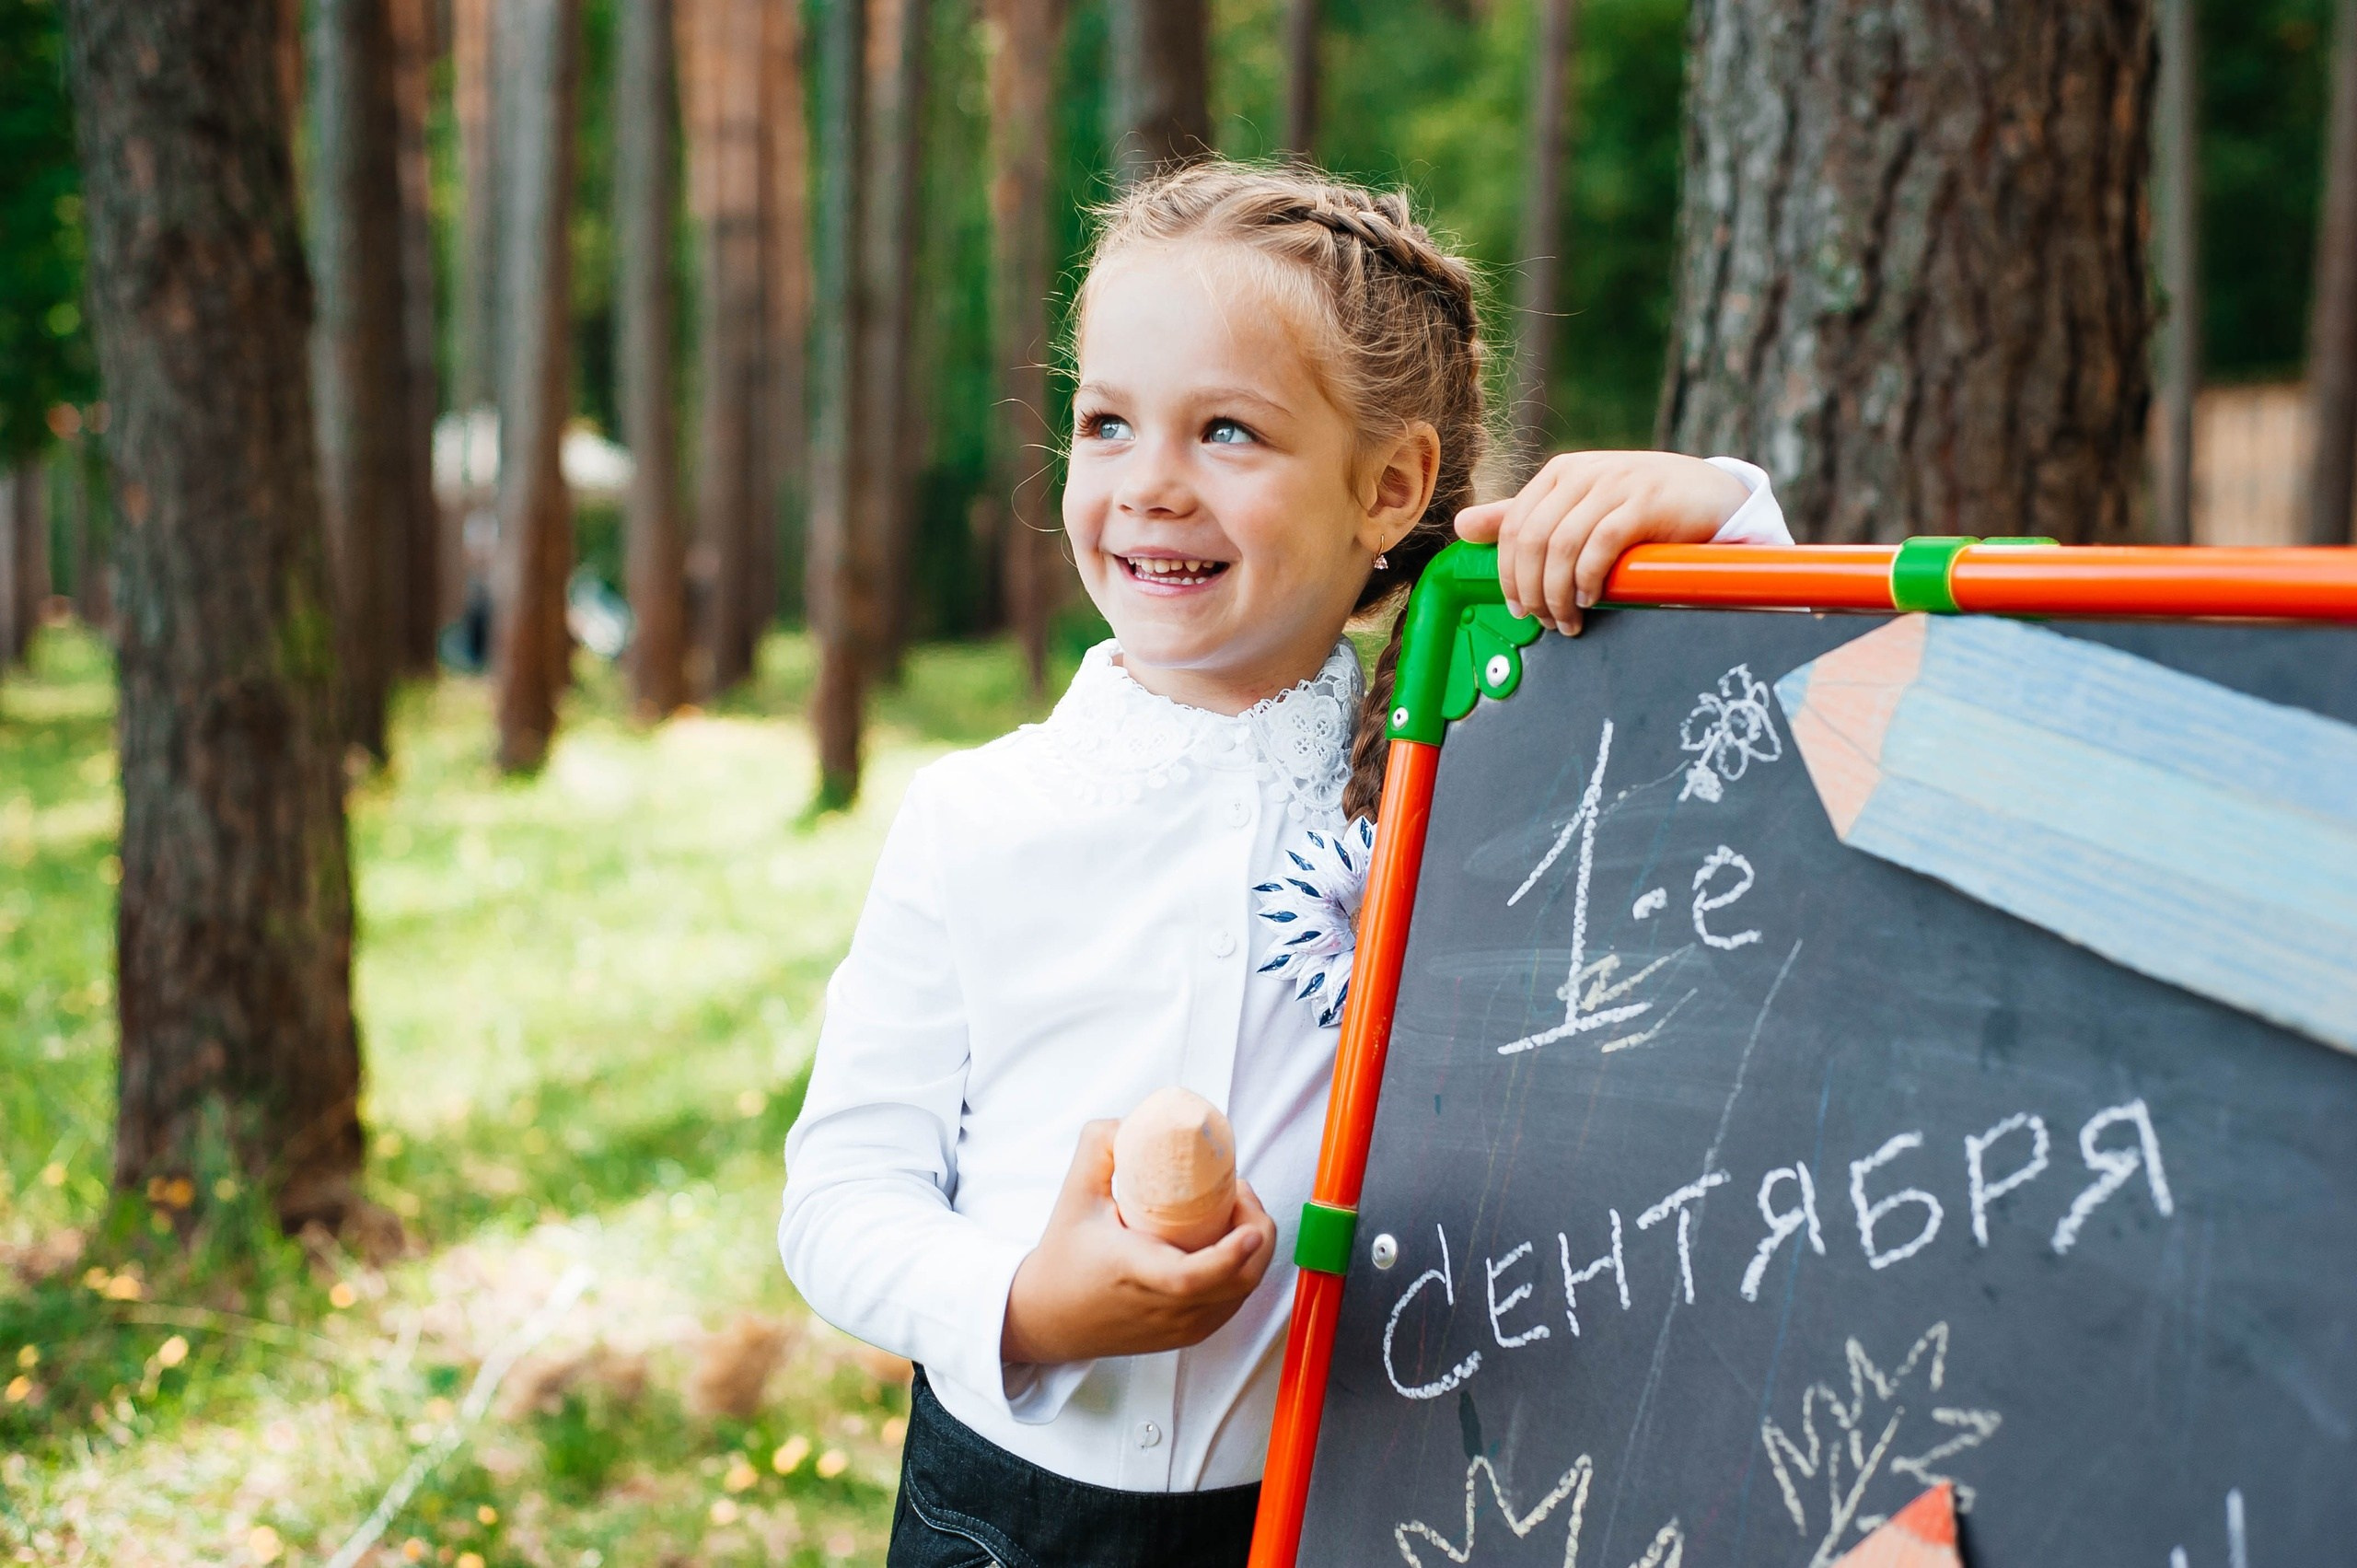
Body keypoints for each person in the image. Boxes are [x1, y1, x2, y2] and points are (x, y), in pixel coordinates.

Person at [778, 158, 1793, 1567]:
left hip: (1350, 1509)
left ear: (1390, 487)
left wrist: (1718, 513)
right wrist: (1029, 1303)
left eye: (1228, 432)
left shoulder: (1470, 792)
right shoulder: (974, 817)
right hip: (1002, 1518)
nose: (1149, 484)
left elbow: (1739, 777)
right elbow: (840, 1198)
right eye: (1106, 423)